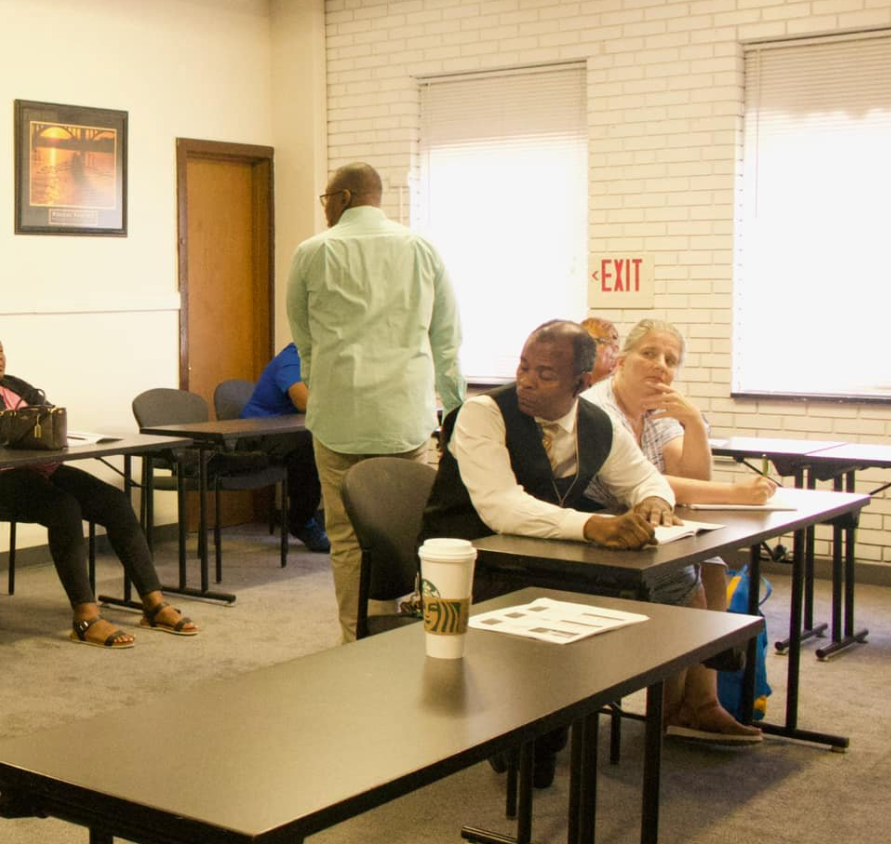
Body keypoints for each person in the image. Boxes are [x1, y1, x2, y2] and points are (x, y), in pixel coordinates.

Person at [421, 320, 686, 787]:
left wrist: (654, 500)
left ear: (582, 384)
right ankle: (533, 733)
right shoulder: (483, 414)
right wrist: (593, 525)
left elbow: (644, 475)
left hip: (545, 560)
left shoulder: (596, 423)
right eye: (524, 367)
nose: (526, 380)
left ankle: (551, 725)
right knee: (576, 603)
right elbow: (501, 507)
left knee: (646, 590)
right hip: (474, 564)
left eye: (545, 374)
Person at [287, 162, 463, 642]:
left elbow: (304, 342)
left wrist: (322, 389)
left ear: (342, 197)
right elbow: (446, 340)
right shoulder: (421, 249)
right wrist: (455, 410)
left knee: (346, 541)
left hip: (338, 420)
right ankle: (399, 636)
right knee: (403, 533)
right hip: (403, 419)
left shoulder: (311, 253)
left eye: (326, 198)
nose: (325, 208)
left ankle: (354, 638)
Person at [0, 321, 198, 647]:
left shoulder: (15, 385)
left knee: (114, 502)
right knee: (63, 506)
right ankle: (86, 617)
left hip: (38, 469)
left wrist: (37, 421)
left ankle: (153, 603)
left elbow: (49, 414)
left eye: (0, 350)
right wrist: (29, 422)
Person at [582, 319, 771, 741]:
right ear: (621, 360)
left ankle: (697, 703)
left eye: (671, 360)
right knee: (685, 578)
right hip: (598, 526)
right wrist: (737, 493)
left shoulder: (654, 410)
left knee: (715, 566)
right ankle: (678, 707)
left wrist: (694, 424)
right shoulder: (599, 409)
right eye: (649, 354)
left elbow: (691, 478)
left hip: (645, 523)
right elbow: (646, 482)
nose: (660, 366)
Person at [239, 343, 330, 553]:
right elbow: (303, 401)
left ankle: (317, 515)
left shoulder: (324, 359)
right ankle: (302, 521)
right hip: (256, 435)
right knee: (308, 445)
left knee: (328, 439)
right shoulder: (292, 357)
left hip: (288, 433)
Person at [582, 316, 621, 384]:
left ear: (614, 351)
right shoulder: (567, 388)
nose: (581, 349)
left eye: (589, 342)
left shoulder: (626, 391)